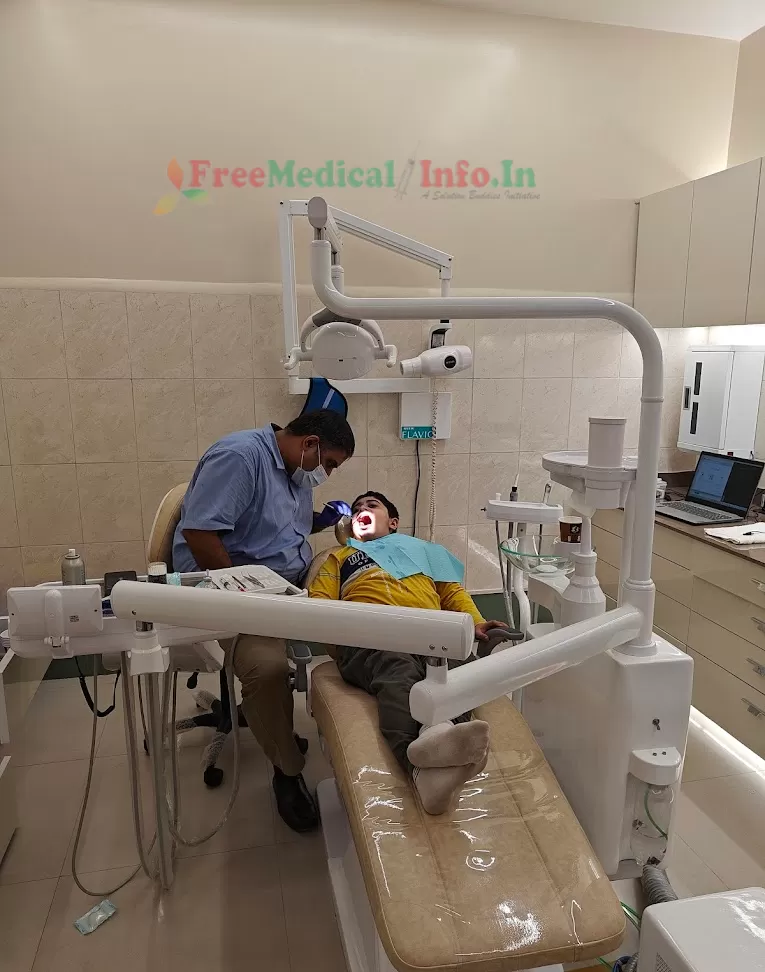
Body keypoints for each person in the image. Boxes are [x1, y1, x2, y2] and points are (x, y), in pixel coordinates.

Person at [173, 410, 355, 832]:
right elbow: (200, 535)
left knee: (365, 623)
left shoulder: (295, 469)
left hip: (286, 586)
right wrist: (244, 598)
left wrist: (320, 520)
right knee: (268, 669)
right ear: (310, 443)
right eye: (329, 464)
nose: (326, 474)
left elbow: (273, 526)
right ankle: (287, 772)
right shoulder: (240, 458)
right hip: (234, 589)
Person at [308, 491, 508, 814]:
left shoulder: (421, 551)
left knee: (462, 670)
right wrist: (339, 637)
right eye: (357, 509)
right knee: (398, 670)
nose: (361, 510)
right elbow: (319, 602)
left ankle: (441, 738)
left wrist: (476, 621)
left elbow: (451, 592)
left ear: (393, 522)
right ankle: (417, 767)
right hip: (373, 635)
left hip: (431, 631)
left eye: (371, 505)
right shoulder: (340, 558)